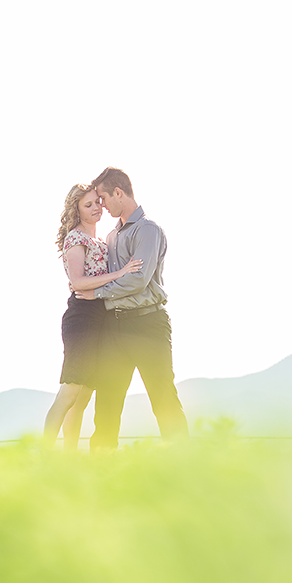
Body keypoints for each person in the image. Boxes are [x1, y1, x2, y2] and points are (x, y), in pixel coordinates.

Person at [81, 166, 189, 445]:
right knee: (106, 403)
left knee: (162, 397)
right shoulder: (111, 237)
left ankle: (186, 468)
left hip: (147, 324)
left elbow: (138, 280)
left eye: (103, 198)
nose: (101, 206)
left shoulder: (148, 230)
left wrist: (99, 294)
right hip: (114, 326)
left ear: (119, 192)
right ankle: (101, 469)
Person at [43, 183, 143, 448]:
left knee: (85, 394)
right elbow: (78, 281)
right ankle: (43, 453)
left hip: (102, 317)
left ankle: (71, 456)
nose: (97, 207)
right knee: (70, 391)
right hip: (82, 318)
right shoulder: (76, 238)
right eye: (88, 205)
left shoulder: (100, 240)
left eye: (97, 202)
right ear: (77, 211)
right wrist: (120, 274)